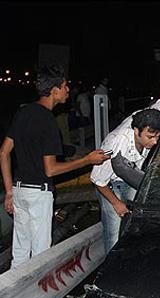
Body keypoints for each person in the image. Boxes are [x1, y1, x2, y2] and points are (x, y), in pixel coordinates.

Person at [0, 64, 108, 268]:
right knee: (41, 257)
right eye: (65, 86)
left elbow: (4, 152)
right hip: (38, 193)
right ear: (55, 90)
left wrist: (8, 191)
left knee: (20, 253)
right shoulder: (48, 121)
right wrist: (87, 160)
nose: (68, 90)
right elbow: (50, 169)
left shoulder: (23, 112)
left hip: (19, 189)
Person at [90, 99, 160, 252]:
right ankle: (112, 267)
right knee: (113, 232)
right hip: (109, 185)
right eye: (150, 137)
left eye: (157, 136)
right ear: (136, 131)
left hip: (130, 175)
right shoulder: (115, 146)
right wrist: (117, 204)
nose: (154, 142)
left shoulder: (150, 117)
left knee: (136, 221)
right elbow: (97, 180)